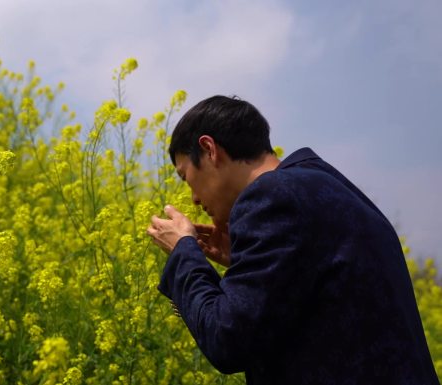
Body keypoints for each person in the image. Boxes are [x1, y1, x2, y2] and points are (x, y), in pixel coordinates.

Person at [146, 95, 439, 384]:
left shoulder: (271, 197)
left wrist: (184, 252)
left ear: (209, 150)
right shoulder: (324, 184)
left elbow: (227, 340)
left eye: (186, 177)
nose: (194, 199)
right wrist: (243, 261)